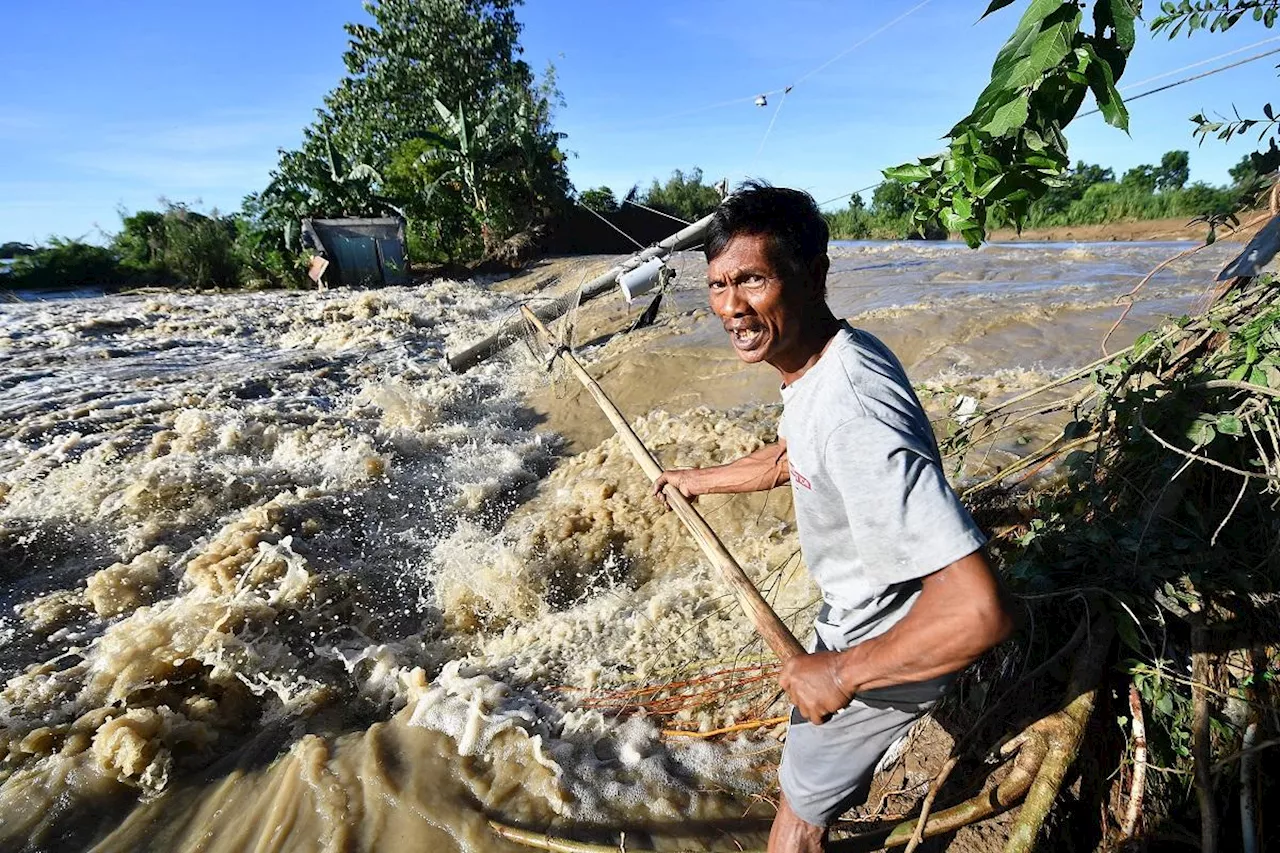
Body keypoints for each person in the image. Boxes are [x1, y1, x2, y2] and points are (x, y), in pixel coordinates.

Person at [653, 182, 1013, 853]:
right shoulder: (827, 358)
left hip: (889, 643)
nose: (732, 306)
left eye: (753, 279)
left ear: (813, 274)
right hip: (863, 628)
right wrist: (695, 480)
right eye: (718, 284)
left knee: (793, 826)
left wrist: (839, 672)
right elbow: (798, 453)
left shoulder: (855, 412)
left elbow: (977, 609)